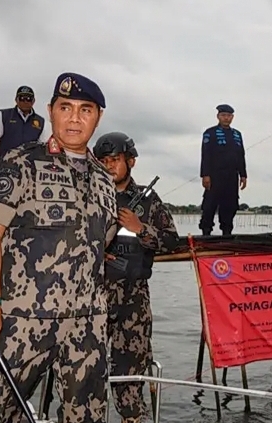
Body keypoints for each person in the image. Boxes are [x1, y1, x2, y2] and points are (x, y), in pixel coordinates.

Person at [0, 72, 118, 423]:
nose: (75, 118)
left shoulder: (104, 178)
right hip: (23, 320)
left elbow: (102, 240)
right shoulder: (21, 162)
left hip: (88, 323)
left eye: (86, 110)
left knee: (87, 416)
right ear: (50, 111)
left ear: (98, 117)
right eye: (65, 107)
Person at [93, 131, 179, 423]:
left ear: (130, 161)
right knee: (85, 376)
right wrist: (96, 253)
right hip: (92, 299)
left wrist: (140, 228)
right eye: (103, 161)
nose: (108, 166)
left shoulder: (148, 201)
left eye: (114, 160)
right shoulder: (87, 196)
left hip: (133, 300)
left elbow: (171, 241)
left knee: (130, 380)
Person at [198, 104, 247, 236]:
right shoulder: (210, 133)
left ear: (232, 117)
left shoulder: (237, 134)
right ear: (218, 116)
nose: (226, 118)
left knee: (230, 205)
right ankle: (206, 232)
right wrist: (205, 175)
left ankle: (227, 232)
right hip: (215, 175)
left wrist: (243, 175)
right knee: (209, 205)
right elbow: (205, 154)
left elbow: (241, 155)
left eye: (229, 116)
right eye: (223, 115)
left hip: (232, 176)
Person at [0, 85, 47, 165]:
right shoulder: (4, 115)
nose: (25, 101)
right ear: (16, 100)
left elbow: (42, 147)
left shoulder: (41, 121)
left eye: (28, 99)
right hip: (4, 165)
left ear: (33, 101)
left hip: (29, 168)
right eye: (22, 98)